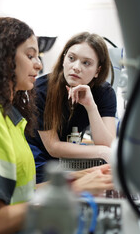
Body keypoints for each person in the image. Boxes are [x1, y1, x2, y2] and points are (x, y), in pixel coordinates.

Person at [0, 17, 113, 234]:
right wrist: (74, 189)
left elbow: (22, 192)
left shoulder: (9, 117)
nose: (39, 64)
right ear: (4, 59)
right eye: (30, 55)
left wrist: (83, 176)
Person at [26, 32, 117, 183]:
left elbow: (108, 144)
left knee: (107, 176)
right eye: (71, 58)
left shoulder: (104, 92)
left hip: (65, 158)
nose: (76, 67)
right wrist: (100, 151)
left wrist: (91, 107)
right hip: (38, 159)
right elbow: (53, 147)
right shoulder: (41, 91)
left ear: (98, 71)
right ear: (63, 59)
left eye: (86, 63)